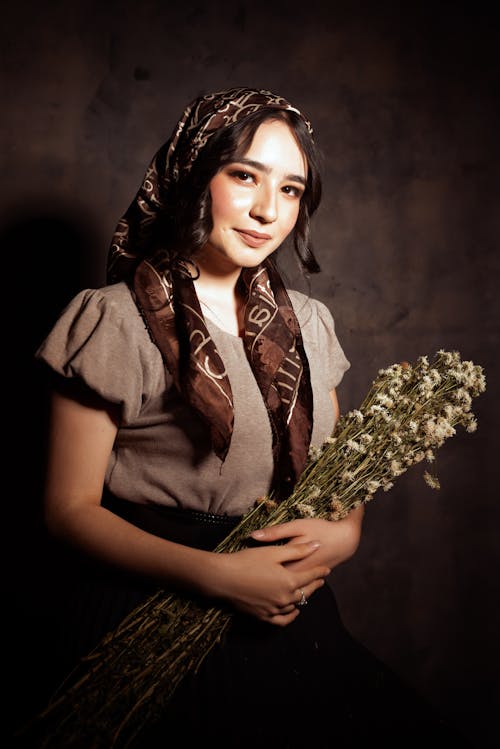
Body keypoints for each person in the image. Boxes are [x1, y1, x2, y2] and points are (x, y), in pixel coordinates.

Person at [26, 87, 469, 747]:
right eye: (244, 176)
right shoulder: (114, 319)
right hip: (148, 603)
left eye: (291, 190)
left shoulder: (310, 325)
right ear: (190, 175)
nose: (268, 209)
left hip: (287, 608)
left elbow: (336, 469)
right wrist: (217, 575)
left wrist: (343, 535)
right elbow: (67, 509)